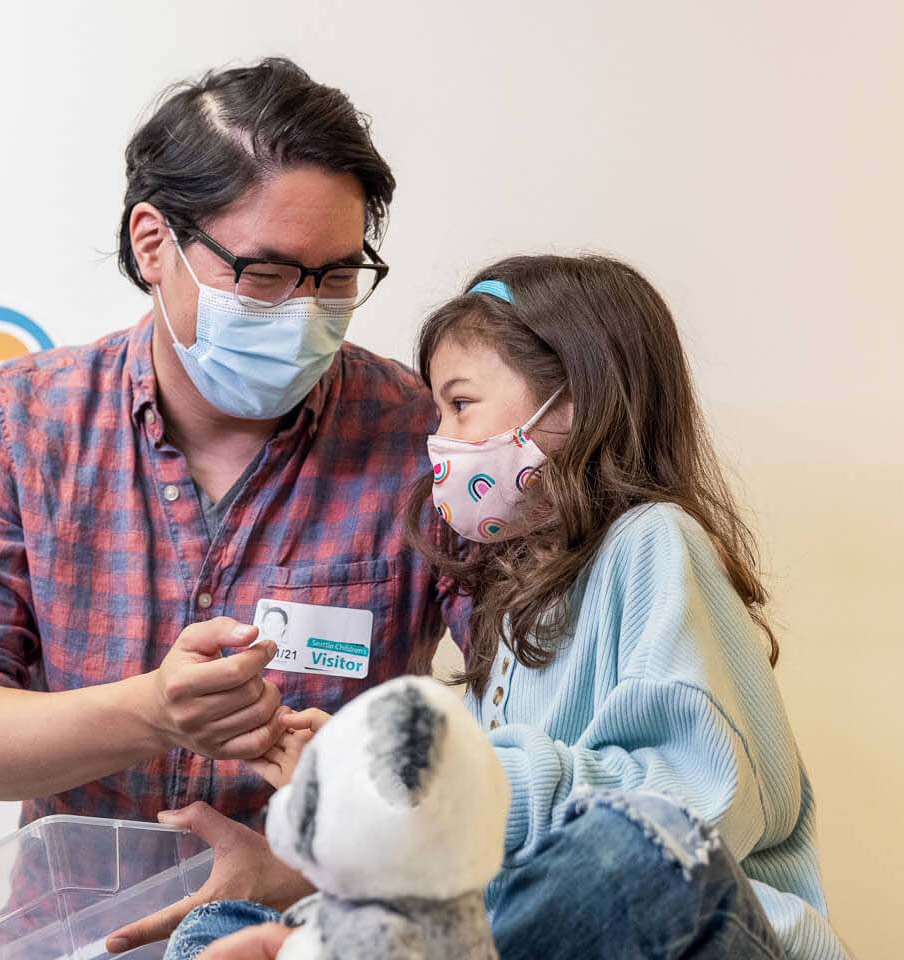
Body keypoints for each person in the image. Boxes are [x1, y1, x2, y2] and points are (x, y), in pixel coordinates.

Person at [0, 58, 456, 948]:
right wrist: (153, 711)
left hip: (323, 931)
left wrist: (305, 868)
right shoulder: (24, 424)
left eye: (337, 277)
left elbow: (526, 723)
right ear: (155, 245)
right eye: (265, 276)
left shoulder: (416, 438)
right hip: (73, 931)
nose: (306, 315)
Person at [189, 255, 848, 959]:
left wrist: (450, 778)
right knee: (219, 926)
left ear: (571, 405)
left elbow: (694, 804)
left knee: (622, 851)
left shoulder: (653, 541)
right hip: (547, 931)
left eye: (461, 404)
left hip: (689, 919)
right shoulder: (512, 599)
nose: (436, 438)